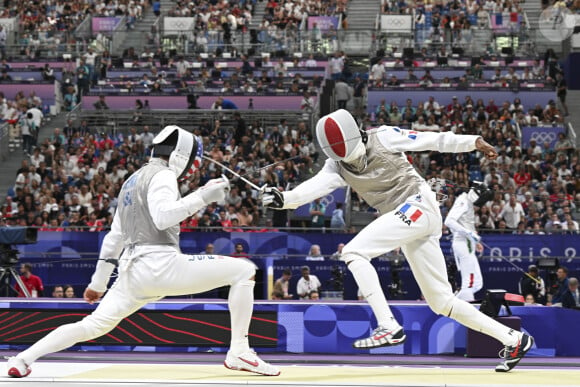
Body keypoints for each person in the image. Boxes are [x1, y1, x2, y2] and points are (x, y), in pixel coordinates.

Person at [263, 109, 534, 372]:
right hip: (408, 220)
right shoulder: (336, 166)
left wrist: (472, 141)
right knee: (442, 302)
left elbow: (433, 139)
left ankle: (388, 325)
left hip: (419, 205)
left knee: (355, 252)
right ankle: (514, 339)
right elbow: (312, 188)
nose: (348, 158)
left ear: (357, 134)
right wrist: (283, 198)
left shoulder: (384, 136)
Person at [6, 125, 279, 378]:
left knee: (92, 325)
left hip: (131, 272)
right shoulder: (164, 175)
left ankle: (22, 359)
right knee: (244, 270)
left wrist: (98, 283)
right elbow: (162, 218)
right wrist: (202, 196)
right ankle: (239, 351)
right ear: (180, 155)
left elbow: (114, 238)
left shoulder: (130, 182)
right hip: (161, 266)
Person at [444, 182, 494, 302]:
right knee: (469, 283)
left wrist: (474, 240)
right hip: (462, 243)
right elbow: (449, 221)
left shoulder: (468, 203)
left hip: (468, 243)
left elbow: (465, 223)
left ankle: (454, 301)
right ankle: (464, 310)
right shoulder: (463, 201)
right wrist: (469, 233)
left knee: (477, 283)